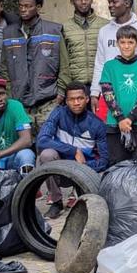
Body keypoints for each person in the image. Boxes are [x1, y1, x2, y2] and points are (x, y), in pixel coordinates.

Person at [36, 82, 109, 218]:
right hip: (60, 170)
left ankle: (83, 199)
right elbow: (42, 140)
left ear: (87, 99)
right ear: (66, 101)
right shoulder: (58, 113)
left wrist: (84, 167)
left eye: (80, 98)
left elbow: (104, 160)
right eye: (71, 99)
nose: (76, 103)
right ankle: (56, 202)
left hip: (83, 173)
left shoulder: (97, 124)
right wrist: (73, 150)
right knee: (46, 155)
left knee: (90, 211)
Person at [1, 0, 63, 128]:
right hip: (19, 101)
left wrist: (60, 94)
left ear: (38, 7)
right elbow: (4, 66)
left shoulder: (54, 30)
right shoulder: (9, 32)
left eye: (28, 6)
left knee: (47, 145)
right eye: (21, 6)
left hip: (48, 100)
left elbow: (64, 66)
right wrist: (10, 93)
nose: (23, 9)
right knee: (24, 144)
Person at [91, 0, 137, 110]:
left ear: (127, 3)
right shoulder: (104, 31)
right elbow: (100, 63)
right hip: (108, 93)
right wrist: (95, 92)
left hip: (134, 93)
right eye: (109, 2)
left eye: (114, 2)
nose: (110, 5)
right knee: (110, 127)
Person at [98, 24, 137, 163]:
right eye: (122, 42)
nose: (126, 46)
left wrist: (129, 119)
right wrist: (121, 119)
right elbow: (107, 94)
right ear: (117, 43)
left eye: (130, 42)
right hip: (115, 124)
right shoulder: (109, 66)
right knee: (117, 166)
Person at [57, 0, 106, 99]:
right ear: (71, 1)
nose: (83, 2)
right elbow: (63, 61)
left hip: (101, 87)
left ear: (91, 0)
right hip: (75, 88)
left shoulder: (105, 26)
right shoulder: (64, 27)